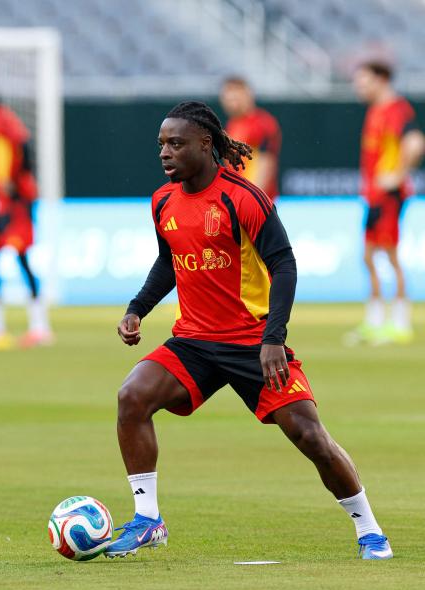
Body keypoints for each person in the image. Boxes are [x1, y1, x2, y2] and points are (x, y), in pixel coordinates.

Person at [105, 101, 392, 561]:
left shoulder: (242, 197)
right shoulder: (163, 201)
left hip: (252, 341)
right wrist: (138, 308)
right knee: (132, 397)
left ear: (205, 144)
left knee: (310, 436)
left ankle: (369, 529)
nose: (165, 153)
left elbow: (284, 263)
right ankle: (147, 521)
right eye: (161, 144)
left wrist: (273, 338)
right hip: (194, 341)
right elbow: (169, 260)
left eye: (175, 144)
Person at [351, 62, 425, 345]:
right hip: (373, 195)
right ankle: (375, 319)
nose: (359, 86)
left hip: (389, 196)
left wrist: (398, 175)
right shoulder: (376, 111)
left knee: (390, 256)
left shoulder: (396, 109)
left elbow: (415, 142)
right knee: (369, 256)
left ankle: (401, 322)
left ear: (380, 79)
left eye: (363, 80)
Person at [0, 89, 52, 349]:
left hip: (16, 202)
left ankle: (35, 327)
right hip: (8, 201)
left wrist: (16, 182)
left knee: (16, 257)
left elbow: (22, 146)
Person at [220, 77, 281, 201]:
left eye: (235, 98)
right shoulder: (232, 124)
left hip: (257, 202)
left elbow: (265, 163)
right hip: (239, 199)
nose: (231, 103)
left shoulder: (261, 124)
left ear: (247, 95)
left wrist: (251, 200)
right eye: (228, 99)